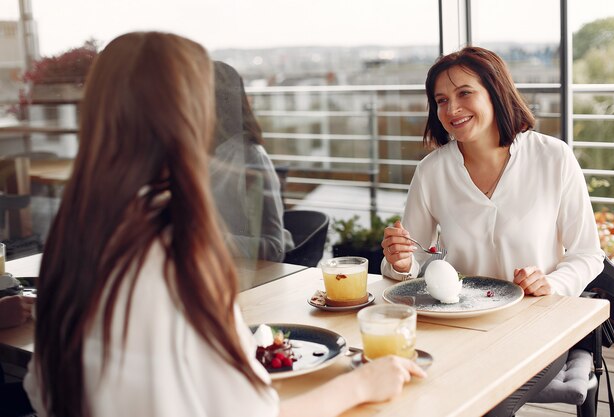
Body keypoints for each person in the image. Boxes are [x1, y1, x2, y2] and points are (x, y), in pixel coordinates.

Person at [23, 32, 425, 417]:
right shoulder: (179, 254)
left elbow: (40, 392)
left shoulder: (73, 233)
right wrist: (361, 385)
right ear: (188, 118)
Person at [380, 46, 604, 416]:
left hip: (536, 326)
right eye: (441, 100)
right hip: (455, 326)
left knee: (481, 406)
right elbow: (414, 259)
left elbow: (587, 254)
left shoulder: (553, 158)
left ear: (495, 91)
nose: (452, 110)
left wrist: (554, 283)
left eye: (465, 93)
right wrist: (400, 261)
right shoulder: (432, 172)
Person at [210, 61, 294, 263]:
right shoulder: (189, 157)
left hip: (242, 280)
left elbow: (274, 248)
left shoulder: (250, 158)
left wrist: (210, 242)